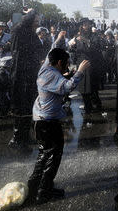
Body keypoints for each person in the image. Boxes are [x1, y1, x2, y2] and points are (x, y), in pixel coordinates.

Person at [27, 48, 89, 203]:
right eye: (66, 64)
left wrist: (59, 40)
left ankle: (35, 186)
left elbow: (52, 54)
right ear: (59, 62)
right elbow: (67, 87)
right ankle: (44, 191)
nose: (67, 67)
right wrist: (80, 71)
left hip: (42, 119)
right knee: (53, 156)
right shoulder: (50, 74)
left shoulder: (46, 67)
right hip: (47, 121)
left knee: (44, 155)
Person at [9, 9, 44, 150]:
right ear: (29, 20)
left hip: (31, 75)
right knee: (20, 106)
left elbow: (40, 49)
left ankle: (25, 136)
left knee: (29, 105)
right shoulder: (18, 30)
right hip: (20, 75)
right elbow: (17, 54)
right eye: (35, 21)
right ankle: (17, 138)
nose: (37, 24)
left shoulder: (31, 33)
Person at [69, 18, 104, 114]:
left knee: (92, 87)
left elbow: (96, 48)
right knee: (83, 87)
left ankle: (97, 105)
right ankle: (88, 107)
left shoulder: (94, 36)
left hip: (91, 64)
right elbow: (73, 51)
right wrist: (72, 47)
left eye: (87, 24)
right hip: (81, 64)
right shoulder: (77, 37)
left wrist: (85, 40)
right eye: (84, 24)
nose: (86, 26)